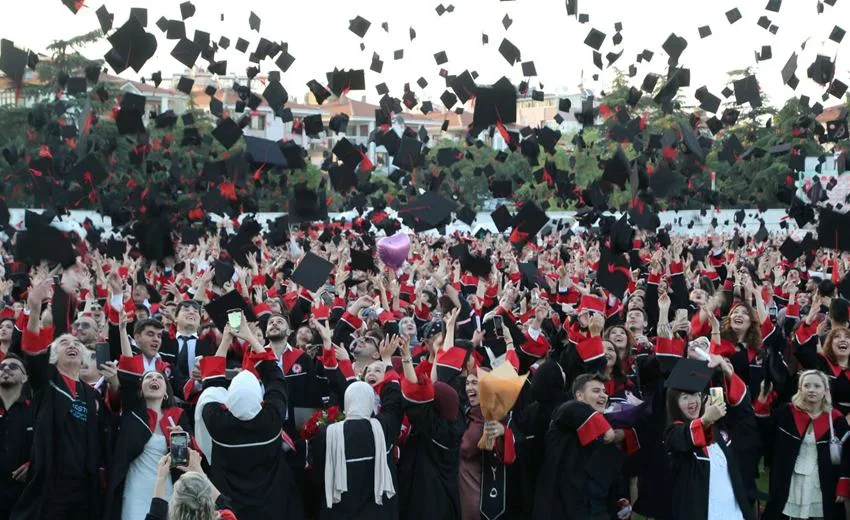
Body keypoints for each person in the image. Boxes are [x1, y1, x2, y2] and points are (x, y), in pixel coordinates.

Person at [11, 278, 109, 520]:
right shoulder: (48, 379)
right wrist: (34, 311)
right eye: (64, 342)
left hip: (83, 487)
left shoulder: (90, 394)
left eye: (76, 343)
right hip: (51, 483)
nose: (72, 344)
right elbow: (33, 352)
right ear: (53, 355)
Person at [194, 319, 304, 520]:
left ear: (229, 398)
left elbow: (211, 385)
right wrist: (251, 337)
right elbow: (275, 378)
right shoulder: (271, 420)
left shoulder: (218, 422)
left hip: (232, 510)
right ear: (259, 398)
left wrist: (226, 339)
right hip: (273, 507)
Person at [105, 312, 194, 520]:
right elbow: (128, 373)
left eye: (159, 378)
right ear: (140, 389)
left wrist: (183, 441)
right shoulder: (133, 413)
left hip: (168, 488)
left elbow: (184, 460)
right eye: (148, 378)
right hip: (135, 489)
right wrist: (121, 331)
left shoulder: (177, 416)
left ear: (166, 391)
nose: (154, 378)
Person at [664, 356, 754, 520]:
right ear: (674, 403)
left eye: (696, 395)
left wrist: (727, 372)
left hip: (733, 510)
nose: (693, 402)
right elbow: (683, 438)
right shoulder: (673, 434)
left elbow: (744, 410)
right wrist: (705, 420)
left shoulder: (719, 430)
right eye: (685, 397)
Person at [759, 370, 850, 520]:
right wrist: (763, 398)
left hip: (822, 483)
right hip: (791, 479)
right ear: (800, 389)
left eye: (817, 386)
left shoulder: (836, 419)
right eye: (807, 385)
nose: (812, 390)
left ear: (825, 390)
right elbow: (764, 431)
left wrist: (844, 484)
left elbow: (848, 454)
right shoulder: (786, 413)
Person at [533, 373, 622, 520]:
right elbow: (573, 409)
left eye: (605, 392)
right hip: (561, 508)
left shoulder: (604, 427)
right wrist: (606, 430)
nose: (603, 396)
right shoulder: (564, 413)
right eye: (596, 391)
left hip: (595, 509)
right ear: (579, 395)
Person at [311, 379, 403, 520]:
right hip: (379, 512)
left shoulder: (327, 434)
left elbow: (317, 475)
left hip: (338, 511)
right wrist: (388, 371)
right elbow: (394, 404)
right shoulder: (383, 427)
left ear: (346, 406)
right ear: (371, 405)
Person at [144, 450, 236, 520]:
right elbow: (224, 503)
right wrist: (199, 471)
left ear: (174, 506)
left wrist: (161, 477)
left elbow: (154, 516)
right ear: (208, 503)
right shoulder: (225, 517)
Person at [0, 354, 33, 520]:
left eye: (13, 367)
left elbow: (48, 445)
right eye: (2, 366)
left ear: (25, 377)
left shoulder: (35, 410)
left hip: (23, 499)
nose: (5, 368)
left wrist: (34, 464)